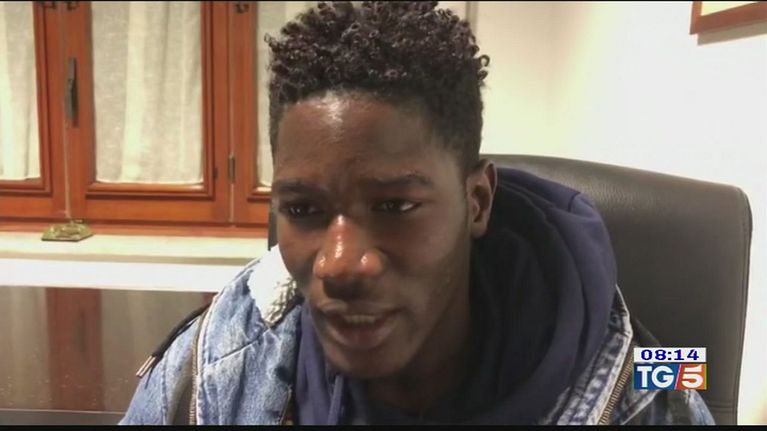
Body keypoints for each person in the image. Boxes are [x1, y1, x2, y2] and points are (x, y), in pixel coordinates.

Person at [120, 1, 714, 425]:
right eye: (303, 209)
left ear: (476, 202)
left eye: (394, 206)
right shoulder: (215, 360)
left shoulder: (645, 383)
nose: (339, 264)